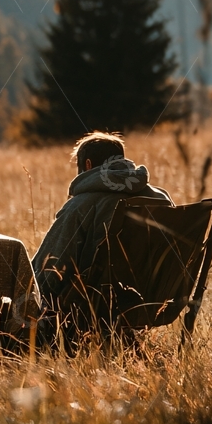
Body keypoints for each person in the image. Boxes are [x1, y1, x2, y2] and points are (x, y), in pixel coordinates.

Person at [32, 132, 173, 344]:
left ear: (87, 165)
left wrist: (28, 295)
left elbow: (51, 266)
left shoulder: (81, 205)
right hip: (156, 295)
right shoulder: (160, 198)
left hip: (99, 300)